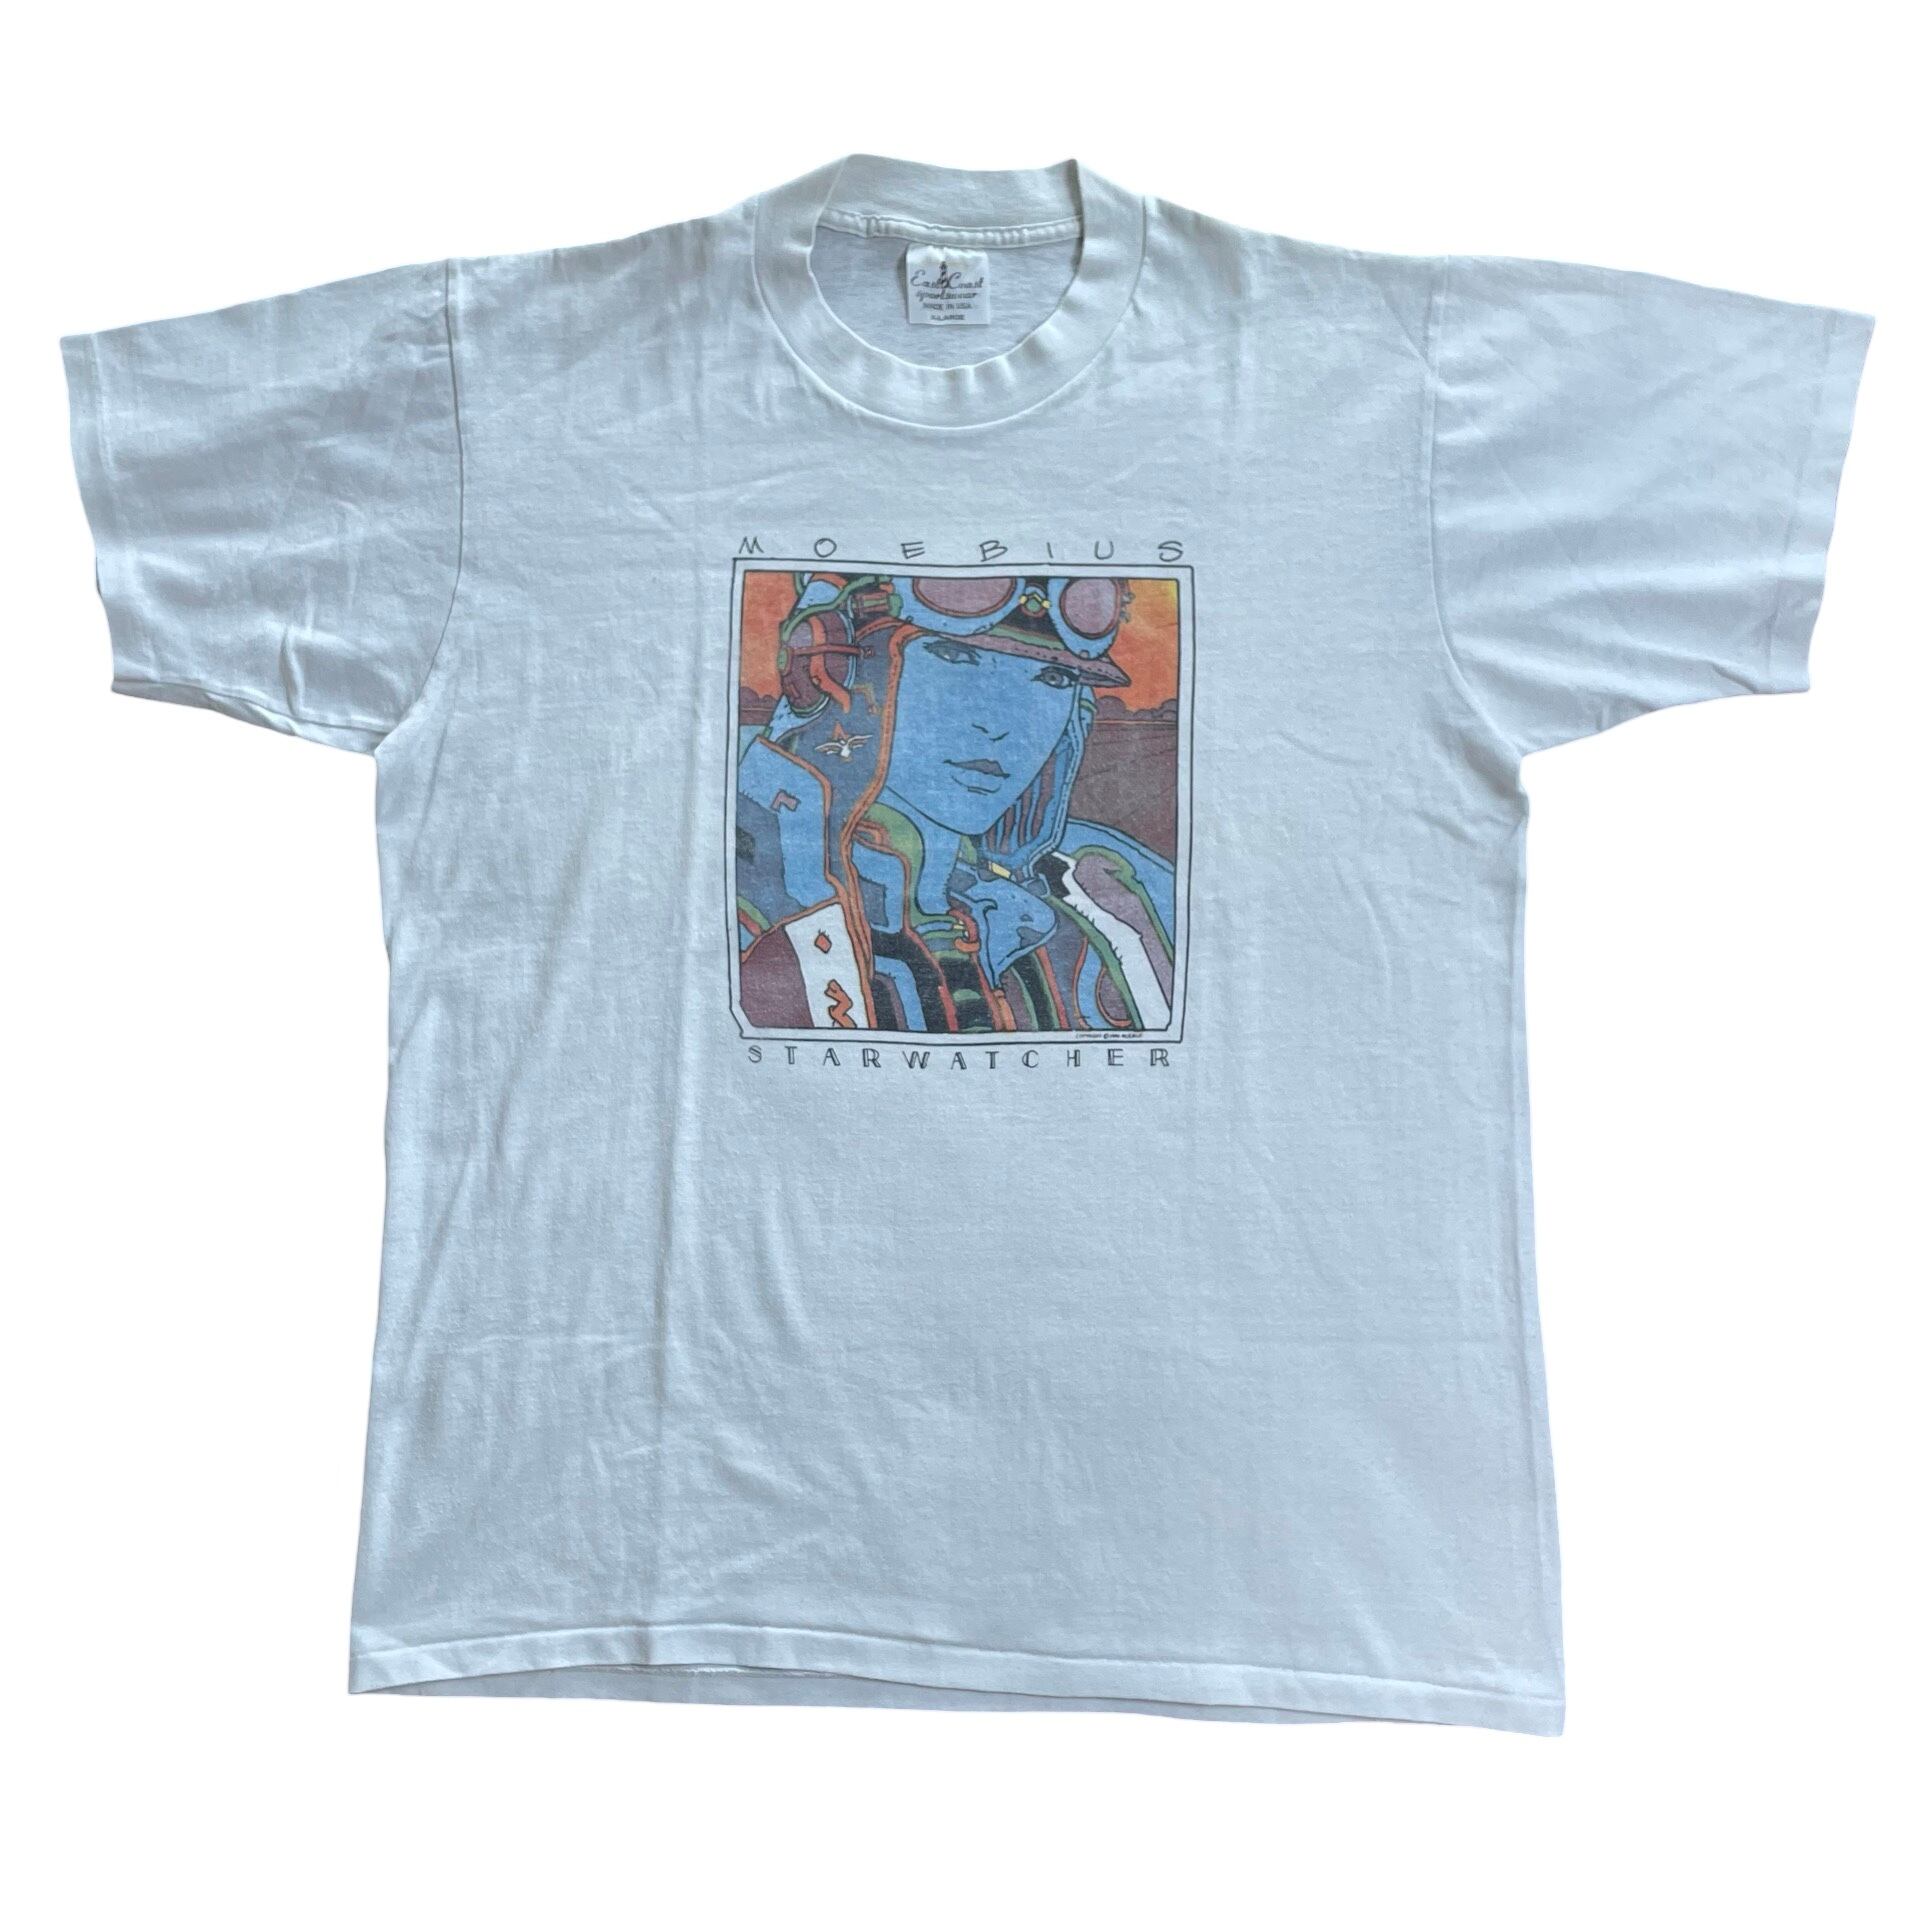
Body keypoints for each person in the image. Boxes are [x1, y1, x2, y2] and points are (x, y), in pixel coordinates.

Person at [735, 572, 1176, 1033]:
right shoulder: (747, 901)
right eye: (954, 656)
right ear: (836, 672)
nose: (999, 724)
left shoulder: (1091, 908)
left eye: (1052, 678)